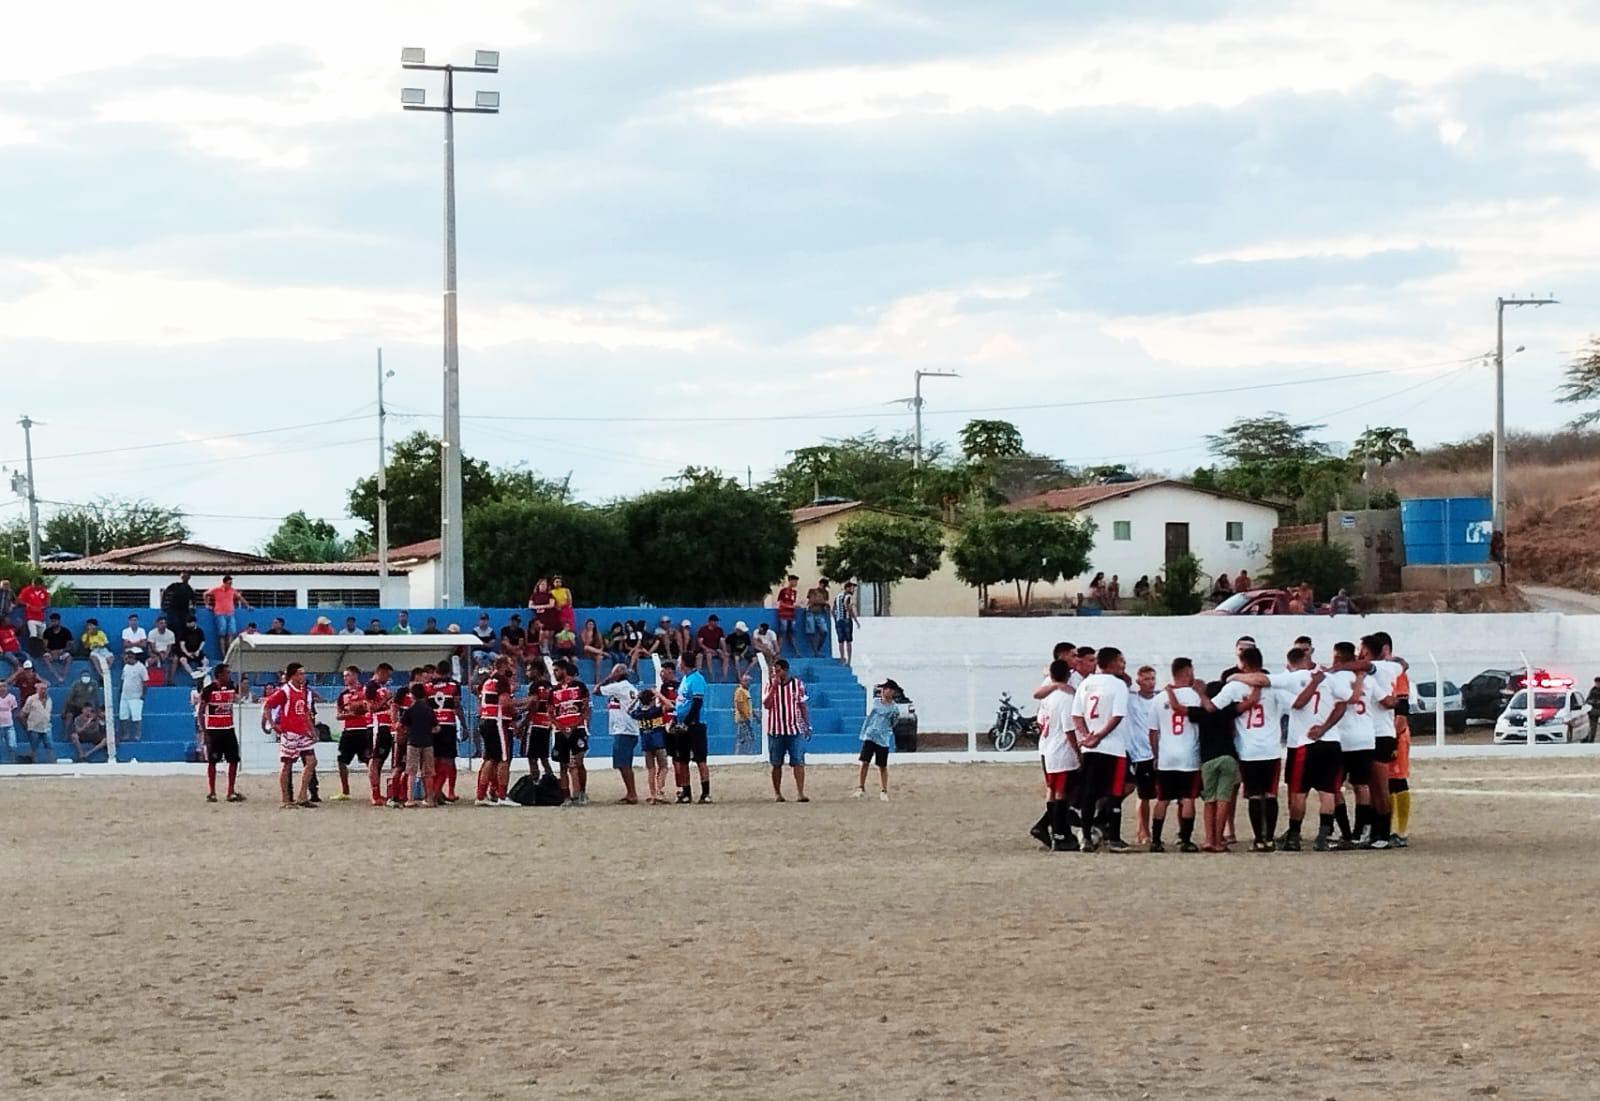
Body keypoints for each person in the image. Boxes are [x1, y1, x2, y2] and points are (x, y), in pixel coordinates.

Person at [1235, 646, 1341, 851]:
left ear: (1289, 663)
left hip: (1303, 742)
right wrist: (1326, 726)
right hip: (1331, 740)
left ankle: (1294, 834)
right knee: (1327, 791)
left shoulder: (1292, 678)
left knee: (1298, 791)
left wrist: (1234, 678)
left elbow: (1262, 681)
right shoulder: (1328, 678)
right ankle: (1323, 835)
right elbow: (1346, 701)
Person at [1206, 647, 1287, 852]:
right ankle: (1269, 838)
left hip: (1248, 749)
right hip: (1271, 748)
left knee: (1253, 795)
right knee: (1270, 794)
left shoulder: (1234, 687)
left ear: (1243, 664)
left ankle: (1258, 838)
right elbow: (1294, 705)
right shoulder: (1274, 685)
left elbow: (1213, 707)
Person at [1072, 647, 1131, 852]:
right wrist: (1098, 736)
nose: (1123, 665)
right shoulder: (1118, 685)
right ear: (1112, 662)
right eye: (1121, 661)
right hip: (1113, 748)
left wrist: (1087, 736)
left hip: (1090, 749)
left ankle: (1086, 836)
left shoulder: (1085, 683)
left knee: (1089, 792)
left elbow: (1077, 716)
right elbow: (1117, 716)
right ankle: (1113, 838)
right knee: (1114, 792)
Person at [1325, 642, 1378, 847]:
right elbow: (1385, 699)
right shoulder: (1368, 679)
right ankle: (1361, 831)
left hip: (1341, 738)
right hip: (1365, 737)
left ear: (1337, 658)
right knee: (1361, 785)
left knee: (1335, 787)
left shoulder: (1334, 678)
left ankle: (1344, 831)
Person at [1151, 659, 1203, 853]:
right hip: (1188, 755)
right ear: (1187, 671)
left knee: (1162, 799)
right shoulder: (1196, 696)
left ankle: (1156, 840)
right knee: (1188, 798)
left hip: (1167, 755)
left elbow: (1153, 732)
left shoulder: (1159, 698)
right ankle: (1186, 839)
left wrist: (1156, 755)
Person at [1030, 660, 1080, 850]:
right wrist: (1077, 752)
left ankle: (1057, 832)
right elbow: (1069, 730)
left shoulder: (1049, 697)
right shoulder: (1066, 698)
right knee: (1062, 793)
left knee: (1055, 791)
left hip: (1049, 748)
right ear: (1068, 675)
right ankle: (1060, 835)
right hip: (1062, 751)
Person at [262, 663, 317, 808]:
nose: (303, 676)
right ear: (292, 675)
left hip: (303, 732)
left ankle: (302, 795)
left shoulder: (302, 690)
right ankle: (286, 799)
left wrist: (311, 729)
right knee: (287, 764)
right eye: (300, 674)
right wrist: (273, 724)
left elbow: (304, 711)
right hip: (290, 732)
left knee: (311, 762)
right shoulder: (284, 691)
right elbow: (267, 705)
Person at [763, 657, 808, 802]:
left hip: (793, 729)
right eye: (774, 671)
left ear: (785, 671)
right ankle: (778, 793)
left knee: (798, 762)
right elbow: (767, 704)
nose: (776, 674)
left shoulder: (797, 684)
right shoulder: (769, 684)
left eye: (778, 671)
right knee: (776, 763)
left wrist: (806, 724)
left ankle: (800, 793)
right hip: (776, 730)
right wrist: (774, 688)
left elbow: (802, 705)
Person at [199, 664, 245, 802]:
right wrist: (205, 730)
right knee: (213, 761)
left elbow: (238, 698)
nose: (229, 675)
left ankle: (230, 791)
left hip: (228, 729)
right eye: (227, 673)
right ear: (219, 675)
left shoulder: (232, 687)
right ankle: (212, 792)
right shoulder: (209, 690)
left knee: (233, 759)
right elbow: (201, 711)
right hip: (214, 730)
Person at [1125, 665, 1160, 845]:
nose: (1150, 683)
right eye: (1146, 679)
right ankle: (1143, 831)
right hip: (1141, 754)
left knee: (1163, 795)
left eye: (1153, 679)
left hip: (1159, 753)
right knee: (1144, 795)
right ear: (1139, 681)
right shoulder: (1132, 699)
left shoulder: (1160, 699)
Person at [597, 663, 641, 804]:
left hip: (624, 729)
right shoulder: (628, 687)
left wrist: (608, 678)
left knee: (624, 763)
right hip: (627, 728)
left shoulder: (619, 686)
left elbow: (597, 690)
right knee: (623, 763)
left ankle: (632, 793)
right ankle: (630, 792)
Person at [673, 653, 713, 804]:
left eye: (679, 661)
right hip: (681, 725)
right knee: (682, 760)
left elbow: (696, 704)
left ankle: (706, 793)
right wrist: (676, 720)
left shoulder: (697, 679)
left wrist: (687, 722)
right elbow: (681, 702)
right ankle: (686, 792)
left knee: (700, 759)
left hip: (695, 725)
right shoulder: (685, 679)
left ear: (684, 663)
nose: (677, 664)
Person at [475, 657, 515, 806]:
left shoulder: (488, 681)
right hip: (497, 721)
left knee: (490, 759)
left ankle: (480, 795)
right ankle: (502, 796)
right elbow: (504, 703)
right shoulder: (502, 681)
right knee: (503, 760)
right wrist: (525, 702)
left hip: (485, 720)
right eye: (510, 665)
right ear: (504, 666)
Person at [331, 665, 373, 802]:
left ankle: (375, 791)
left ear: (355, 675)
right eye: (344, 676)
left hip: (364, 730)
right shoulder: (343, 695)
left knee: (369, 760)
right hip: (349, 731)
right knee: (341, 760)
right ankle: (345, 791)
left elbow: (370, 708)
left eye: (347, 675)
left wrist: (361, 710)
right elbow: (338, 715)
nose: (345, 678)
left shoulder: (365, 691)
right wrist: (352, 714)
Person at [551, 660, 590, 806]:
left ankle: (581, 792)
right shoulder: (554, 690)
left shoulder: (580, 687)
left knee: (578, 762)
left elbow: (585, 708)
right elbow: (551, 712)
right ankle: (566, 796)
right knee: (563, 764)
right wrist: (560, 727)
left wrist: (575, 725)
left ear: (564, 670)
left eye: (556, 670)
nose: (554, 674)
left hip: (577, 729)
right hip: (561, 731)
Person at [399, 671, 438, 808]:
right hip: (427, 742)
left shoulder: (410, 710)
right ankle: (430, 799)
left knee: (411, 771)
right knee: (428, 773)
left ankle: (410, 799)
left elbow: (401, 726)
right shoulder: (429, 710)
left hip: (413, 742)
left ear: (412, 695)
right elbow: (436, 728)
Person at [429, 660, 464, 803]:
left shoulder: (429, 686)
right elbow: (457, 706)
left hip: (433, 725)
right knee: (448, 760)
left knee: (435, 760)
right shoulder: (454, 686)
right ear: (449, 672)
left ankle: (433, 791)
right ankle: (442, 791)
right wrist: (464, 725)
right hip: (448, 725)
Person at [632, 688, 670, 804]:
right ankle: (659, 791)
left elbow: (629, 710)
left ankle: (653, 794)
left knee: (651, 770)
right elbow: (669, 705)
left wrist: (636, 700)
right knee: (663, 767)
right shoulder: (656, 711)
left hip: (646, 742)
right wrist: (659, 695)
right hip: (658, 742)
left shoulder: (638, 713)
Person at [524, 663, 555, 782]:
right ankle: (550, 780)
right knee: (543, 756)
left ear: (536, 670)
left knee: (532, 757)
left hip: (535, 723)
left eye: (529, 670)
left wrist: (523, 723)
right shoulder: (549, 686)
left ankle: (534, 781)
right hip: (546, 724)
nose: (527, 673)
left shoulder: (534, 686)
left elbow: (533, 706)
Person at [204, 575, 249, 653]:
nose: (230, 585)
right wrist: (207, 605)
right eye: (229, 583)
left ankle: (229, 653)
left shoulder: (232, 590)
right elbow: (205, 594)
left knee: (231, 633)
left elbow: (240, 597)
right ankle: (224, 654)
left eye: (231, 583)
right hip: (220, 613)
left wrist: (247, 605)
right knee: (222, 635)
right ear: (224, 583)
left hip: (230, 613)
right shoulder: (216, 589)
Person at [118, 648, 149, 743]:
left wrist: (143, 695)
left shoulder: (141, 667)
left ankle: (137, 736)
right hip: (125, 696)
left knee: (136, 717)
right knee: (123, 717)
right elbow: (123, 680)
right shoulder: (126, 667)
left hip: (136, 696)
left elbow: (145, 682)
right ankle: (125, 735)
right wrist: (120, 691)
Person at [19, 681, 53, 762]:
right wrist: (27, 726)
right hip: (34, 727)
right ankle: (34, 763)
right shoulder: (31, 699)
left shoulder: (49, 699)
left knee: (50, 746)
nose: (43, 691)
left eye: (45, 689)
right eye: (42, 689)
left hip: (46, 726)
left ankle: (52, 763)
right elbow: (23, 714)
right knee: (34, 747)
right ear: (37, 689)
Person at [161, 572, 198, 637]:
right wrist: (163, 605)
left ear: (189, 578)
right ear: (181, 577)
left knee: (183, 630)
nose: (184, 578)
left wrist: (193, 609)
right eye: (183, 576)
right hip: (173, 611)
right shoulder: (175, 585)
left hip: (184, 612)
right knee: (172, 629)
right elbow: (164, 592)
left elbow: (194, 600)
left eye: (186, 576)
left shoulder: (189, 589)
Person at [40, 613, 72, 683]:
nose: (53, 623)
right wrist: (51, 651)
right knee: (45, 658)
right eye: (52, 621)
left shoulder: (65, 631)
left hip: (62, 652)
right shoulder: (47, 632)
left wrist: (62, 650)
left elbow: (70, 645)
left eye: (55, 621)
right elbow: (45, 646)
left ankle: (64, 676)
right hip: (51, 653)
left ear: (59, 621)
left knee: (69, 658)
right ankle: (57, 676)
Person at [833, 581, 860, 665]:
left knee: (840, 641)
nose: (853, 589)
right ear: (847, 588)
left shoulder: (837, 596)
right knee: (848, 641)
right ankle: (849, 660)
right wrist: (856, 621)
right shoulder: (849, 596)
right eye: (852, 587)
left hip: (838, 620)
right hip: (847, 620)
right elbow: (848, 608)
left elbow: (833, 610)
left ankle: (842, 658)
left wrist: (836, 620)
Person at [804, 578, 831, 657]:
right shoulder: (812, 591)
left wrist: (826, 605)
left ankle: (817, 650)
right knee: (811, 632)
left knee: (824, 631)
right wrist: (824, 602)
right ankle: (815, 651)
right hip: (811, 612)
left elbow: (824, 603)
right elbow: (812, 601)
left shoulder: (826, 593)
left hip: (820, 613)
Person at [696, 614, 728, 681]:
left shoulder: (719, 630)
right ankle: (711, 675)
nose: (716, 623)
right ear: (710, 622)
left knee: (725, 657)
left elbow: (722, 640)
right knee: (709, 655)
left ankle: (724, 676)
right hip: (706, 649)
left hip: (716, 649)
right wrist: (708, 649)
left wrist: (724, 651)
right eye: (715, 621)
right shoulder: (703, 630)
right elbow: (700, 643)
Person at [17, 576, 50, 641]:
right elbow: (19, 600)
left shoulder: (44, 592)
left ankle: (40, 650)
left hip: (41, 618)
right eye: (33, 584)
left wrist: (42, 607)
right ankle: (33, 650)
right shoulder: (27, 590)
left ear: (40, 585)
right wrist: (27, 604)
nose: (34, 586)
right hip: (31, 617)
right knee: (33, 635)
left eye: (36, 585)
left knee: (42, 637)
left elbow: (48, 603)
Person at [732, 673, 756, 755]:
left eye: (749, 681)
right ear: (742, 681)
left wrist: (755, 716)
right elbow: (739, 705)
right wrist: (746, 717)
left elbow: (748, 706)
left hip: (747, 718)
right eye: (746, 681)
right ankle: (740, 754)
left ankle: (747, 753)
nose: (748, 683)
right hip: (743, 719)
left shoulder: (746, 691)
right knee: (743, 738)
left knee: (748, 737)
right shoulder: (740, 691)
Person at [775, 574, 799, 654]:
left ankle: (796, 651)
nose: (796, 583)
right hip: (783, 614)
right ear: (790, 581)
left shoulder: (794, 592)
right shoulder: (783, 591)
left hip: (791, 615)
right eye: (795, 581)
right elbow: (781, 604)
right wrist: (791, 607)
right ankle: (778, 651)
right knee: (783, 631)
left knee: (792, 632)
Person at [579, 619, 607, 684]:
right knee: (586, 647)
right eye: (589, 624)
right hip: (588, 652)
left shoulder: (597, 633)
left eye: (592, 624)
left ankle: (597, 679)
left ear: (594, 626)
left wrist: (600, 650)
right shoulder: (583, 633)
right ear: (586, 625)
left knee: (600, 658)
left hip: (596, 652)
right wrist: (589, 635)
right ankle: (602, 653)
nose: (590, 626)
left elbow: (601, 645)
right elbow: (585, 644)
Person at [0, 681, 16, 763]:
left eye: (4, 686)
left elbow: (14, 709)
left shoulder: (11, 697)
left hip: (9, 725)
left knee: (12, 745)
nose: (2, 688)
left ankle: (12, 762)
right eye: (1, 686)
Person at [1585, 678, 1600, 743]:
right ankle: (1591, 741)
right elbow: (1587, 700)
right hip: (1594, 711)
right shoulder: (1593, 690)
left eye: (1598, 683)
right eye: (1596, 683)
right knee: (1592, 728)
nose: (1597, 684)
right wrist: (1593, 701)